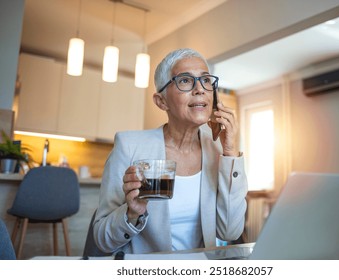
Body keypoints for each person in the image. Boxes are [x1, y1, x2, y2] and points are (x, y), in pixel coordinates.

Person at [93, 48, 248, 254]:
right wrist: (131, 213)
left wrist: (229, 152)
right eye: (185, 80)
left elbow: (230, 232)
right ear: (161, 101)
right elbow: (101, 239)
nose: (200, 89)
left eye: (206, 80)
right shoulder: (129, 146)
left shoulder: (217, 150)